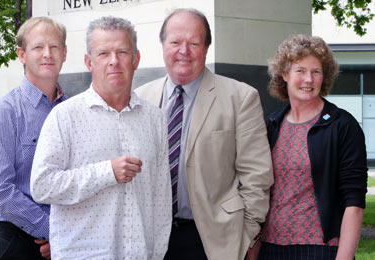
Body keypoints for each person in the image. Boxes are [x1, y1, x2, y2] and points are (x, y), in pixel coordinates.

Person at [135, 8, 273, 260]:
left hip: (213, 241)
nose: (183, 51)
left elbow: (257, 176)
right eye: (175, 42)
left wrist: (247, 236)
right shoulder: (140, 99)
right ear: (163, 45)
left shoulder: (240, 98)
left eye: (194, 43)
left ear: (206, 48)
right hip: (151, 239)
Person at [30, 16, 171, 259]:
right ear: (89, 62)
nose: (114, 61)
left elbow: (161, 200)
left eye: (123, 52)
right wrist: (106, 173)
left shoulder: (154, 119)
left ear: (136, 59)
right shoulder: (64, 116)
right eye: (103, 53)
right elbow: (42, 186)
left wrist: (157, 254)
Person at [253, 34, 367, 259]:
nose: (309, 79)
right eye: (300, 71)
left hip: (321, 249)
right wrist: (254, 251)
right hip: (270, 248)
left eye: (316, 72)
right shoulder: (272, 125)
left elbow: (354, 202)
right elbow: (259, 192)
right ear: (284, 74)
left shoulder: (342, 125)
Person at [0, 17, 67, 260]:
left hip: (66, 237)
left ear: (65, 52)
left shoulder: (73, 111)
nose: (47, 54)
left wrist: (63, 234)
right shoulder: (4, 112)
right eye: (38, 47)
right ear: (22, 54)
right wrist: (51, 230)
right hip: (16, 240)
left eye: (55, 46)